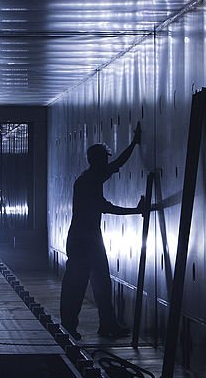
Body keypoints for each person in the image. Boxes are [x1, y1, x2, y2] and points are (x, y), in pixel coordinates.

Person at [61, 122, 147, 339]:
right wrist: (136, 211)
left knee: (100, 283)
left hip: (87, 238)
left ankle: (107, 324)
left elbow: (118, 163)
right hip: (84, 241)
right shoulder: (88, 182)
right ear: (97, 161)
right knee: (77, 285)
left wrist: (134, 144)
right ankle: (71, 326)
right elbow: (106, 207)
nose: (108, 162)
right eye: (105, 158)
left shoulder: (92, 176)